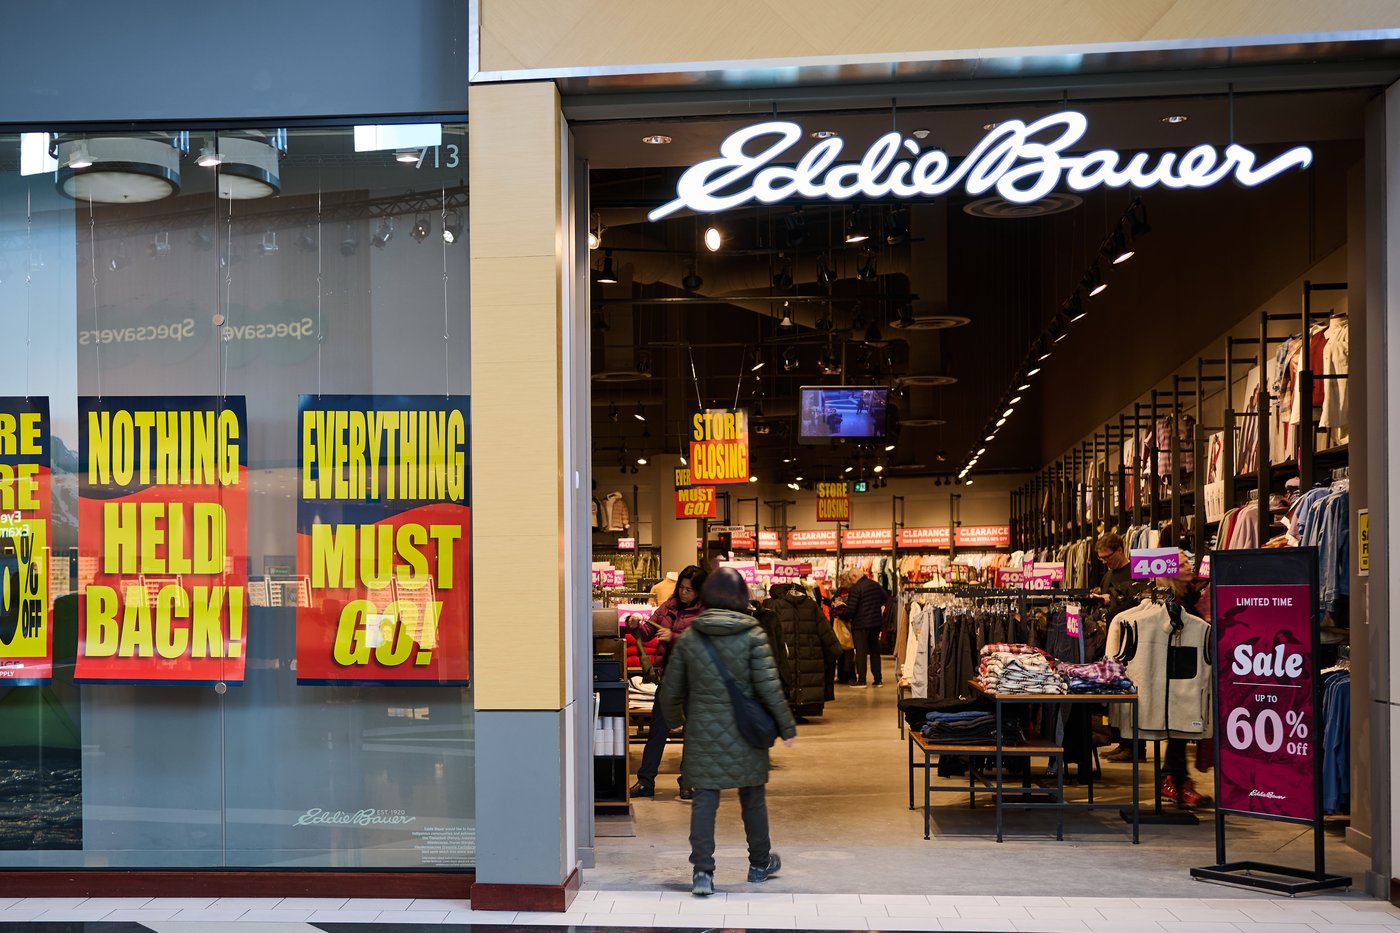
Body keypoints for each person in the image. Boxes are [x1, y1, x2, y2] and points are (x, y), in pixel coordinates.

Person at [658, 568, 797, 897]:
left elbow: (670, 689)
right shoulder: (754, 635)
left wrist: (674, 719)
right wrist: (786, 726)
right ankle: (759, 864)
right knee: (753, 800)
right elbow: (769, 687)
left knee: (704, 801)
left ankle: (702, 872)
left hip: (703, 734)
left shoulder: (691, 636)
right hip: (746, 732)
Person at [627, 565, 707, 800]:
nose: (683, 593)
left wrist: (673, 637)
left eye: (689, 590)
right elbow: (648, 632)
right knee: (657, 730)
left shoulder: (707, 611)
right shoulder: (668, 607)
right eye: (681, 587)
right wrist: (635, 625)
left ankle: (688, 782)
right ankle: (645, 782)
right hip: (669, 678)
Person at [1157, 552, 1213, 808]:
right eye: (1180, 565)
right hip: (1177, 673)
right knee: (1179, 729)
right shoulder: (1171, 602)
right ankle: (1177, 782)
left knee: (1182, 729)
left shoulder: (1192, 594)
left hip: (1192, 670)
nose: (1188, 566)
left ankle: (1174, 779)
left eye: (1187, 561)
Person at [766, 583, 842, 716]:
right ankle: (801, 708)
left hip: (785, 653)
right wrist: (836, 650)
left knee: (788, 678)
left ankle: (791, 709)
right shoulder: (811, 605)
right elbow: (825, 631)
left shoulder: (775, 606)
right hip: (810, 654)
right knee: (806, 679)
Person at [840, 570, 888, 687]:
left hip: (860, 624)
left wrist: (842, 616)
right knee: (875, 652)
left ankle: (862, 680)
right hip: (875, 623)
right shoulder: (875, 585)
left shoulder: (855, 589)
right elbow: (884, 598)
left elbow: (851, 609)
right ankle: (878, 680)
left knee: (861, 653)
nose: (851, 582)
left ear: (855, 576)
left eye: (850, 579)